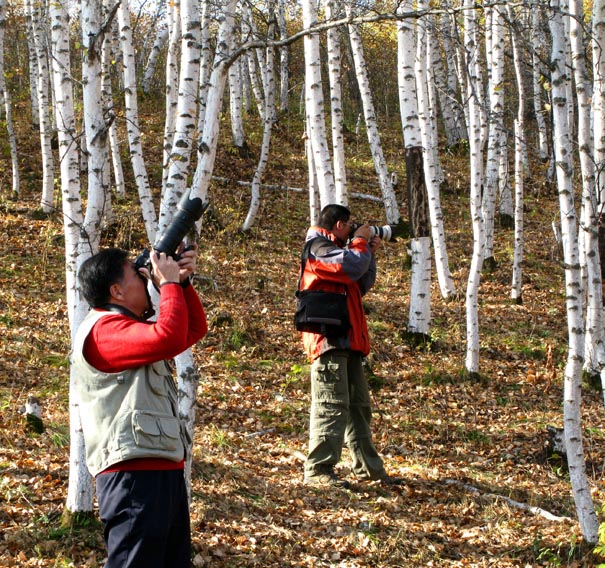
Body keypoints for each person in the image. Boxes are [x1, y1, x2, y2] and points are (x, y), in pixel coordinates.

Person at [72, 245, 208, 568]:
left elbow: (192, 330)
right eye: (137, 273)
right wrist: (169, 284)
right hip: (132, 477)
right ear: (116, 290)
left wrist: (182, 285)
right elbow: (169, 338)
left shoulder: (128, 329)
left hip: (161, 471)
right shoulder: (101, 331)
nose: (146, 275)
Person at [298, 204, 403, 489]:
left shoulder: (341, 251)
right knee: (331, 405)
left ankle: (368, 469)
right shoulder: (318, 247)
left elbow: (361, 281)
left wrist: (370, 252)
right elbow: (350, 266)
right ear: (340, 225)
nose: (355, 231)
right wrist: (360, 242)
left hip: (349, 338)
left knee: (358, 407)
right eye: (351, 226)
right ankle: (318, 470)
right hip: (328, 339)